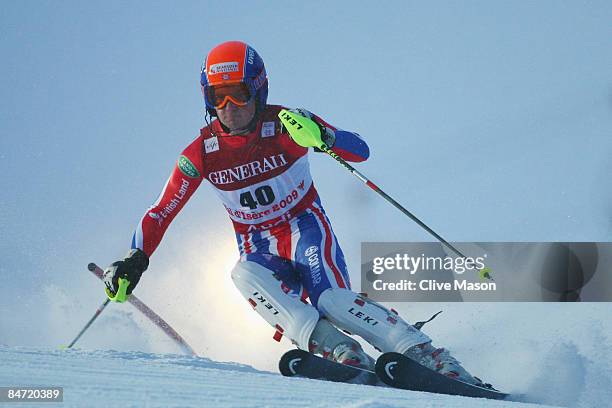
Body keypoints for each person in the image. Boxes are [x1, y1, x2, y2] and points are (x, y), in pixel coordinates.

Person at [103, 40, 480, 384]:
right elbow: (161, 211)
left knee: (331, 300)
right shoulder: (201, 153)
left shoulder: (286, 126)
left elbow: (360, 151)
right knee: (242, 272)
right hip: (259, 248)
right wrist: (136, 258)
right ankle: (337, 350)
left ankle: (426, 354)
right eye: (218, 98)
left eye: (238, 94)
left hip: (306, 230)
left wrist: (322, 136)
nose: (229, 108)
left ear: (259, 88)